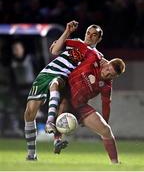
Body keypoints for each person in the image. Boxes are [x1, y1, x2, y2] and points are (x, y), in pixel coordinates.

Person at [24, 20, 103, 160]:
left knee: (56, 86)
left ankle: (50, 124)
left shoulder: (97, 56)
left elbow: (105, 69)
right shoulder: (76, 42)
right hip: (45, 74)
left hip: (63, 78)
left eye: (94, 35)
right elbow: (54, 50)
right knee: (29, 113)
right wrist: (67, 31)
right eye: (88, 33)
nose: (89, 36)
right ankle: (31, 155)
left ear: (99, 38)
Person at [54, 57, 125, 164]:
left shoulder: (107, 86)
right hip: (64, 95)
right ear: (106, 64)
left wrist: (104, 121)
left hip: (80, 106)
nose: (106, 74)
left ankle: (115, 163)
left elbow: (106, 105)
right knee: (63, 105)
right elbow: (86, 48)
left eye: (111, 75)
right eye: (107, 70)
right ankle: (57, 140)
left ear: (115, 77)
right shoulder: (94, 61)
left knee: (106, 130)